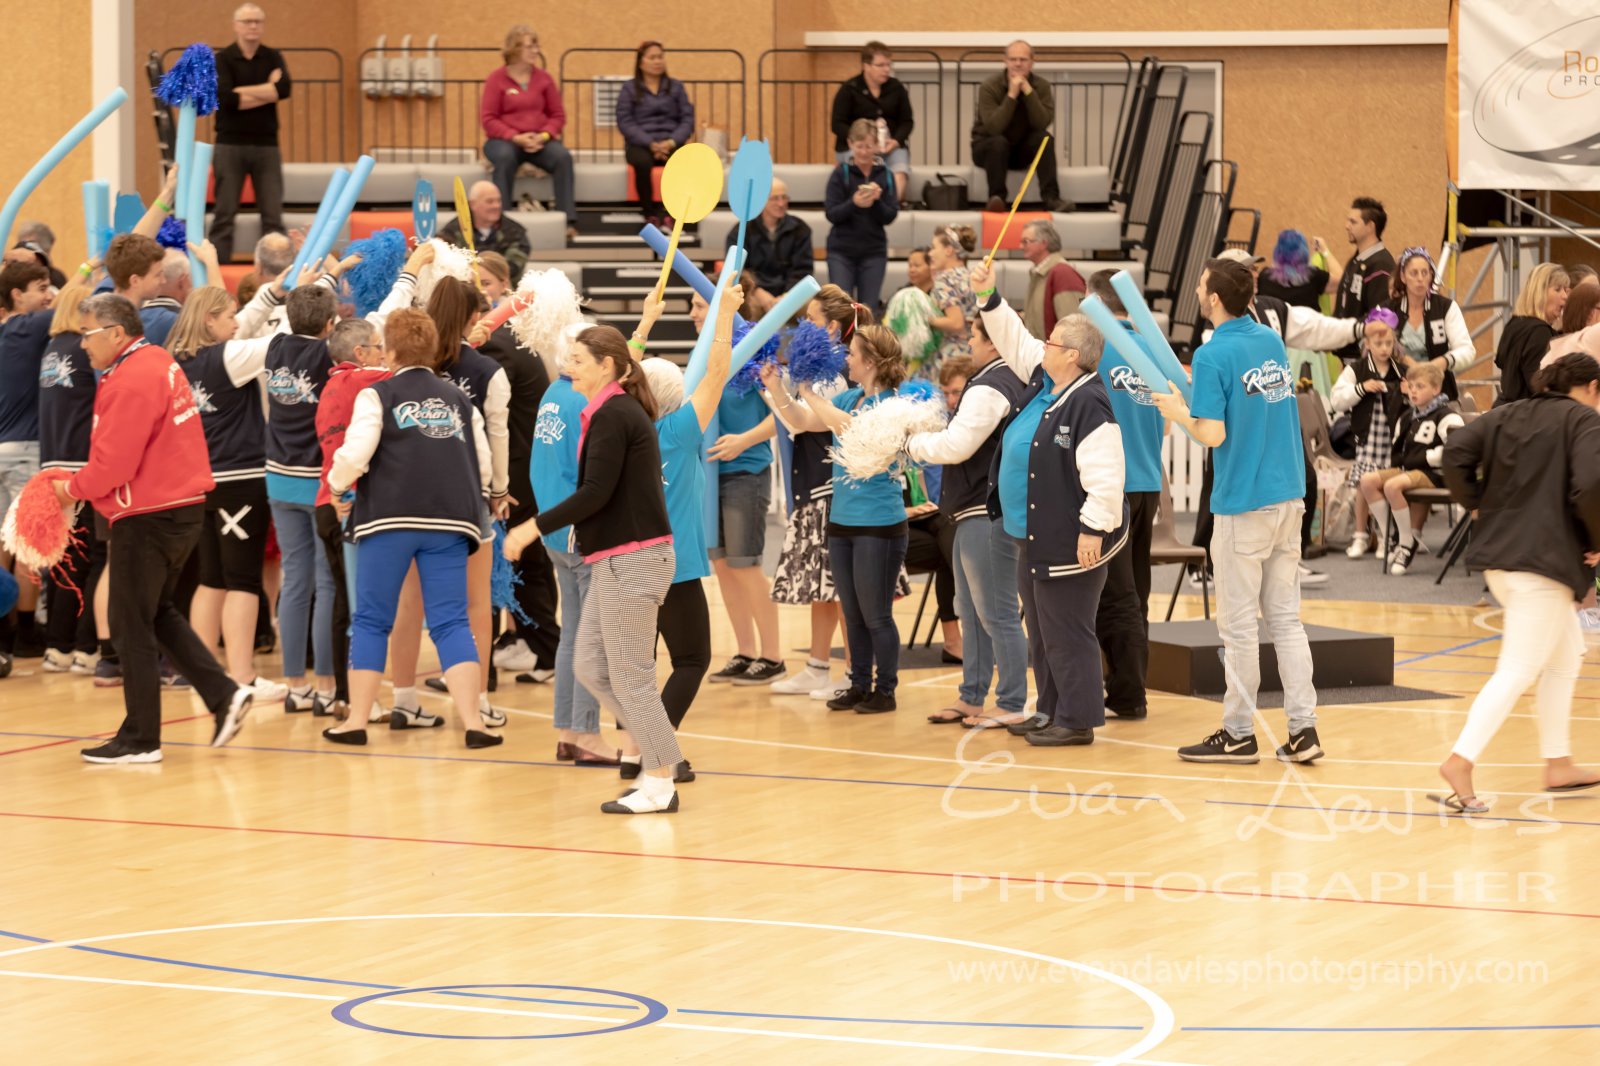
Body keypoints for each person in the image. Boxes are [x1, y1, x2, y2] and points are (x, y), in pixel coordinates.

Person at [54, 294, 254, 762]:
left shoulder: (131, 378)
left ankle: (141, 739)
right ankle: (224, 695)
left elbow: (114, 464)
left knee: (129, 623)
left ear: (116, 333)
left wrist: (70, 490)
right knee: (156, 612)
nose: (82, 344)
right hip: (178, 507)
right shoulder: (158, 360)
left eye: (87, 334)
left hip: (148, 512)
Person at [505, 326, 684, 814]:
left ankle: (661, 781)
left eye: (579, 360)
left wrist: (531, 528)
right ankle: (662, 753)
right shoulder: (604, 411)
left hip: (635, 559)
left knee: (631, 676)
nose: (569, 367)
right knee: (588, 665)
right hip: (611, 559)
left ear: (607, 366)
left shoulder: (615, 413)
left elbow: (594, 493)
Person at [1151, 258, 1321, 765]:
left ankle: (1238, 732)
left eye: (1202, 284)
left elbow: (1213, 433)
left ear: (1214, 298)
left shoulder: (1211, 354)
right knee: (1286, 621)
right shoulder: (1270, 340)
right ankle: (1304, 729)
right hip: (1288, 498)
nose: (1197, 291)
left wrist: (1178, 412)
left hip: (1244, 504)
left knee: (1240, 628)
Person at [322, 309, 500, 750]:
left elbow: (355, 453)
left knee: (371, 619)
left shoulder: (377, 394)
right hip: (451, 520)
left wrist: (337, 486)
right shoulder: (459, 399)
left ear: (390, 351)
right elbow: (483, 465)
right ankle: (474, 722)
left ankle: (356, 722)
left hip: (389, 518)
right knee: (451, 620)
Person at [1435, 352, 1600, 812]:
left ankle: (1558, 762)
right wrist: (1596, 540)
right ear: (1591, 388)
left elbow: (1455, 451)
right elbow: (1591, 484)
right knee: (1518, 669)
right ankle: (1460, 760)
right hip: (1541, 563)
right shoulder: (1585, 420)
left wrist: (1475, 504)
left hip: (1502, 560)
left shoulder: (1507, 413)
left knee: (1566, 656)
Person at [970, 273, 1126, 746]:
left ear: (1072, 355)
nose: (1043, 346)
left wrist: (1092, 530)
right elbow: (1015, 338)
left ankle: (1077, 721)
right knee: (1042, 630)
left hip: (1070, 539)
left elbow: (1106, 475)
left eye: (1052, 341)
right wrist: (988, 296)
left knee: (1067, 630)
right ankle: (1050, 709)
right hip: (1035, 536)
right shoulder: (1048, 381)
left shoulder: (1090, 403)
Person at [762, 325, 911, 713]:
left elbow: (852, 428)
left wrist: (810, 393)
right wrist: (778, 389)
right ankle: (859, 684)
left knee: (876, 614)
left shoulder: (894, 405)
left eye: (853, 353)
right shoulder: (850, 397)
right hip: (844, 522)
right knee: (853, 612)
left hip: (879, 525)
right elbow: (802, 420)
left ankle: (886, 690)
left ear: (871, 361)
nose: (847, 359)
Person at [166, 252, 287, 703]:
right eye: (229, 317)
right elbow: (280, 339)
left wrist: (269, 294)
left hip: (197, 480)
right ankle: (242, 676)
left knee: (211, 578)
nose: (237, 323)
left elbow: (246, 325)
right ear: (210, 320)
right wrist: (306, 292)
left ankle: (204, 674)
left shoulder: (175, 359)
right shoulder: (229, 357)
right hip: (240, 478)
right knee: (242, 580)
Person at [905, 315, 1029, 727]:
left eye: (974, 336)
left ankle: (1011, 701)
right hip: (972, 510)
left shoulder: (992, 383)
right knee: (971, 610)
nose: (969, 344)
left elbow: (957, 445)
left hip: (984, 510)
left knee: (996, 611)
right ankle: (972, 696)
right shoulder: (1009, 379)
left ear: (993, 341)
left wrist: (910, 443)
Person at [634, 279, 740, 758]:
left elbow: (619, 382)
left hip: (630, 565)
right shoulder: (677, 432)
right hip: (674, 567)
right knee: (693, 659)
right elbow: (716, 374)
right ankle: (654, 751)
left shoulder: (620, 429)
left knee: (638, 669)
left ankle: (635, 752)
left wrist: (645, 324)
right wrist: (725, 316)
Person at [766, 288, 864, 699]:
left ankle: (856, 670)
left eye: (811, 318)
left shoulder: (836, 372)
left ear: (833, 326)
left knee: (840, 588)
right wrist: (773, 387)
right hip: (812, 485)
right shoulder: (816, 371)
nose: (804, 325)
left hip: (832, 489)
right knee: (822, 588)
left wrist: (781, 391)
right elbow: (795, 420)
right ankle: (818, 665)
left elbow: (808, 422)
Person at [1079, 269, 1165, 720]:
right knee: (1135, 591)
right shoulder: (1151, 347)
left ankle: (1128, 693)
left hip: (1114, 484)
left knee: (1115, 594)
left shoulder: (1098, 349)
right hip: (1148, 480)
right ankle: (1130, 684)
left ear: (1091, 300)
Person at [530, 324, 608, 763]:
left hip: (554, 526)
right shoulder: (584, 400)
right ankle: (585, 734)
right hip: (579, 529)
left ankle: (567, 730)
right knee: (589, 639)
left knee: (573, 635)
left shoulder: (552, 394)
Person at [265, 283, 341, 712]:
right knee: (325, 581)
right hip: (316, 483)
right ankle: (326, 685)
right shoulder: (327, 355)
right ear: (330, 324)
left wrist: (325, 277)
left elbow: (290, 313)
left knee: (295, 581)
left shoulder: (275, 347)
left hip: (278, 478)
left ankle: (295, 685)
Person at [705, 331, 784, 687]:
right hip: (711, 475)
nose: (692, 313)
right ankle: (745, 651)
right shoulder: (706, 358)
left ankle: (773, 657)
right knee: (723, 567)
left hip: (746, 473)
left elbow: (783, 414)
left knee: (746, 566)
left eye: (698, 306)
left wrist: (744, 440)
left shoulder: (754, 359)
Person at [37, 276, 106, 674]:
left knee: (63, 559)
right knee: (90, 557)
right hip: (81, 466)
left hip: (51, 464)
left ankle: (56, 646)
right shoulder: (85, 351)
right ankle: (84, 646)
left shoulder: (50, 351)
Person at [1, 258, 58, 659]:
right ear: (17, 296)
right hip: (25, 451)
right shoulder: (30, 326)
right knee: (27, 545)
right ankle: (25, 631)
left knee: (3, 545)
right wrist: (89, 268)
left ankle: (4, 631)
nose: (48, 295)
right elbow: (76, 301)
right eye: (41, 288)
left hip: (3, 448)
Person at [1363, 361, 1464, 576]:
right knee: (1367, 481)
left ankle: (1406, 544)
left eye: (1420, 386)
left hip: (1435, 473)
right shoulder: (1408, 416)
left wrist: (1427, 457)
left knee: (1392, 486)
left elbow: (1457, 448)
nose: (1413, 391)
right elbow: (1398, 448)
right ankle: (1392, 536)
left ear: (1436, 389)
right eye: (1411, 386)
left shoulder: (1447, 415)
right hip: (1409, 470)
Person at [482, 24, 577, 239]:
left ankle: (567, 220)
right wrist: (515, 137)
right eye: (529, 46)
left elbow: (558, 116)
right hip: (505, 141)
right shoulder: (496, 79)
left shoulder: (544, 79)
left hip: (539, 139)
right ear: (514, 49)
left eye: (536, 46)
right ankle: (501, 223)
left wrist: (543, 136)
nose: (536, 51)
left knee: (563, 157)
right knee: (504, 157)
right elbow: (488, 119)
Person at [211, 3, 290, 262]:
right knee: (224, 214)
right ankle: (217, 268)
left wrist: (243, 92)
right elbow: (226, 98)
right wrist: (268, 89)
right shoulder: (222, 59)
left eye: (257, 21)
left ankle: (276, 269)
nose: (253, 26)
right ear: (236, 26)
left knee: (272, 216)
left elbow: (284, 89)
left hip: (267, 145)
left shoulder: (273, 56)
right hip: (229, 144)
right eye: (247, 21)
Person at [1332, 309, 1406, 560]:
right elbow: (1337, 399)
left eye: (1388, 343)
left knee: (1386, 487)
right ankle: (1360, 535)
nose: (1384, 348)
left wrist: (1404, 391)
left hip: (1392, 441)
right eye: (1378, 343)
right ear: (1367, 343)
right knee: (1363, 488)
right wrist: (1361, 388)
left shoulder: (1401, 370)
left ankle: (1385, 536)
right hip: (1367, 438)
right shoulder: (1357, 370)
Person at [971, 41, 1067, 214]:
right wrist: (1012, 95)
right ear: (1005, 61)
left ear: (1032, 62)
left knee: (1045, 138)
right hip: (988, 148)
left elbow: (1042, 123)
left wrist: (1029, 92)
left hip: (1020, 150)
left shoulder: (1042, 86)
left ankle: (1052, 198)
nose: (1017, 63)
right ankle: (997, 199)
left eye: (1023, 59)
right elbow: (994, 127)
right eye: (1013, 59)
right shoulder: (989, 86)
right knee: (998, 142)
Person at [616, 41, 695, 227]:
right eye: (652, 57)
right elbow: (625, 121)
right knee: (642, 162)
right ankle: (649, 213)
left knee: (681, 161)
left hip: (671, 142)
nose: (657, 61)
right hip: (641, 144)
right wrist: (650, 143)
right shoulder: (629, 88)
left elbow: (687, 119)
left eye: (660, 57)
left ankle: (673, 214)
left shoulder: (676, 87)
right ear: (641, 62)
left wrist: (672, 141)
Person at [824, 118, 899, 313]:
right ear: (850, 144)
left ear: (877, 146)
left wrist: (877, 201)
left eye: (869, 146)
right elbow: (831, 213)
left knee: (868, 309)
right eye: (859, 146)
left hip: (873, 251)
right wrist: (853, 203)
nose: (864, 152)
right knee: (842, 309)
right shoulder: (840, 173)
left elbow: (890, 215)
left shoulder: (886, 174)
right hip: (841, 251)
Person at [1384, 246, 1475, 398]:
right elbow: (1370, 344)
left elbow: (1467, 350)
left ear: (1431, 276)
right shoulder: (1388, 309)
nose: (1420, 278)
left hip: (1439, 393)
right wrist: (1404, 360)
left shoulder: (1446, 307)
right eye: (1414, 273)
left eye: (1424, 273)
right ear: (1403, 277)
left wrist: (1441, 363)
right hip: (1397, 392)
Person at [830, 41, 914, 204]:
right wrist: (861, 143)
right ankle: (859, 204)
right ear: (866, 66)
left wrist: (896, 141)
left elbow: (907, 122)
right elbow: (837, 124)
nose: (886, 69)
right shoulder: (849, 89)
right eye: (880, 65)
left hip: (890, 147)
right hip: (857, 147)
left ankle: (890, 206)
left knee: (900, 171)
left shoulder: (897, 88)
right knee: (858, 170)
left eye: (888, 64)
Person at [1493, 263, 1570, 405]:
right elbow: (1539, 387)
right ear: (1540, 293)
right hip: (1526, 412)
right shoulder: (1539, 332)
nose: (1565, 296)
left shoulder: (1514, 324)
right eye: (1558, 289)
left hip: (1506, 409)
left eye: (1566, 290)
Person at [1331, 197, 1395, 362]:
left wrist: (1347, 331)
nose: (1347, 226)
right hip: (1348, 353)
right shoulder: (1356, 260)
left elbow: (1379, 314)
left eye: (1353, 222)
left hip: (1365, 358)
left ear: (1370, 226)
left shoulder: (1381, 265)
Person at [438, 181, 531, 281]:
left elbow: (512, 268)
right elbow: (444, 264)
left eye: (499, 201)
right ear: (472, 204)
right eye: (490, 201)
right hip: (464, 286)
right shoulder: (451, 231)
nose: (496, 206)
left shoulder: (515, 232)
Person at [744, 179, 812, 311]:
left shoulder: (800, 228)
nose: (781, 204)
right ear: (761, 201)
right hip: (756, 293)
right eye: (775, 198)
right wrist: (758, 292)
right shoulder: (743, 231)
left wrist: (786, 296)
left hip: (791, 293)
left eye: (784, 197)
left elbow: (803, 270)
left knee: (810, 307)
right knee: (747, 308)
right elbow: (740, 270)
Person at [1019, 220, 1085, 340]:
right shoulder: (1040, 273)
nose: (1020, 246)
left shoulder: (1063, 274)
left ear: (1044, 243)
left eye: (1026, 241)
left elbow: (1074, 330)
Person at [927, 225, 977, 375]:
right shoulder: (972, 276)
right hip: (975, 353)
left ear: (949, 250)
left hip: (952, 358)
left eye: (934, 248)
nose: (930, 253)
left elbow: (956, 323)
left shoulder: (944, 279)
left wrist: (923, 318)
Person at [884, 247, 941, 377]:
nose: (912, 270)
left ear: (931, 266)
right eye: (910, 266)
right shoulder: (902, 295)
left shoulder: (939, 295)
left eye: (917, 265)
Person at [1255, 229, 1331, 311]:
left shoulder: (1263, 276)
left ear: (1277, 251)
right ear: (1304, 252)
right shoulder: (1314, 275)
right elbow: (1340, 281)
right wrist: (1325, 250)